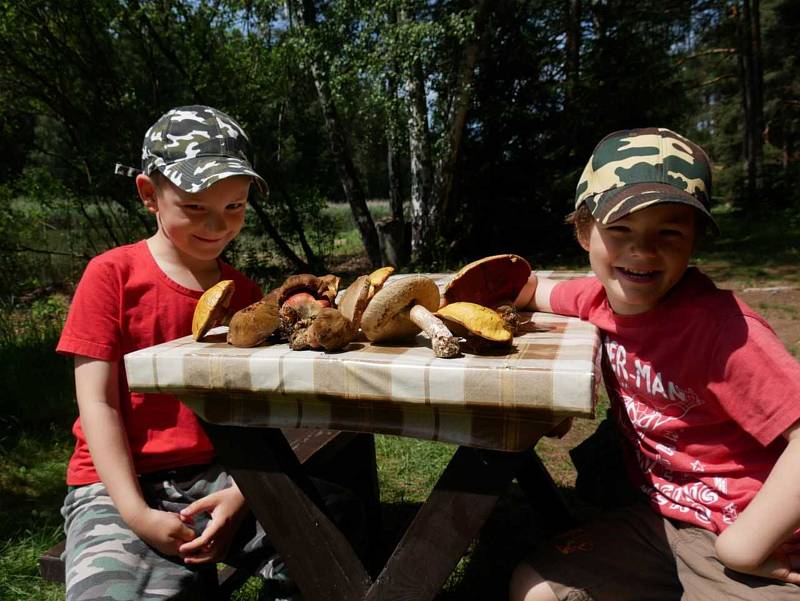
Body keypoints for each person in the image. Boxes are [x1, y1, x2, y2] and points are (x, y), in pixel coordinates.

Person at [509, 127, 800, 601]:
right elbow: (532, 289)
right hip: (661, 519)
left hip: (751, 533)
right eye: (620, 229)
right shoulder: (597, 297)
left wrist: (746, 545)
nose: (642, 251)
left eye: (668, 232)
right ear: (584, 232)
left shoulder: (725, 332)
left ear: (696, 240)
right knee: (536, 588)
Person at [57, 105, 277, 600]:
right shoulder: (111, 276)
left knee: (326, 536)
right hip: (115, 483)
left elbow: (259, 409)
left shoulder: (245, 295)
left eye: (235, 207)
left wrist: (242, 493)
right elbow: (98, 404)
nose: (218, 225)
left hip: (222, 473)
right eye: (196, 207)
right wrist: (136, 514)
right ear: (149, 194)